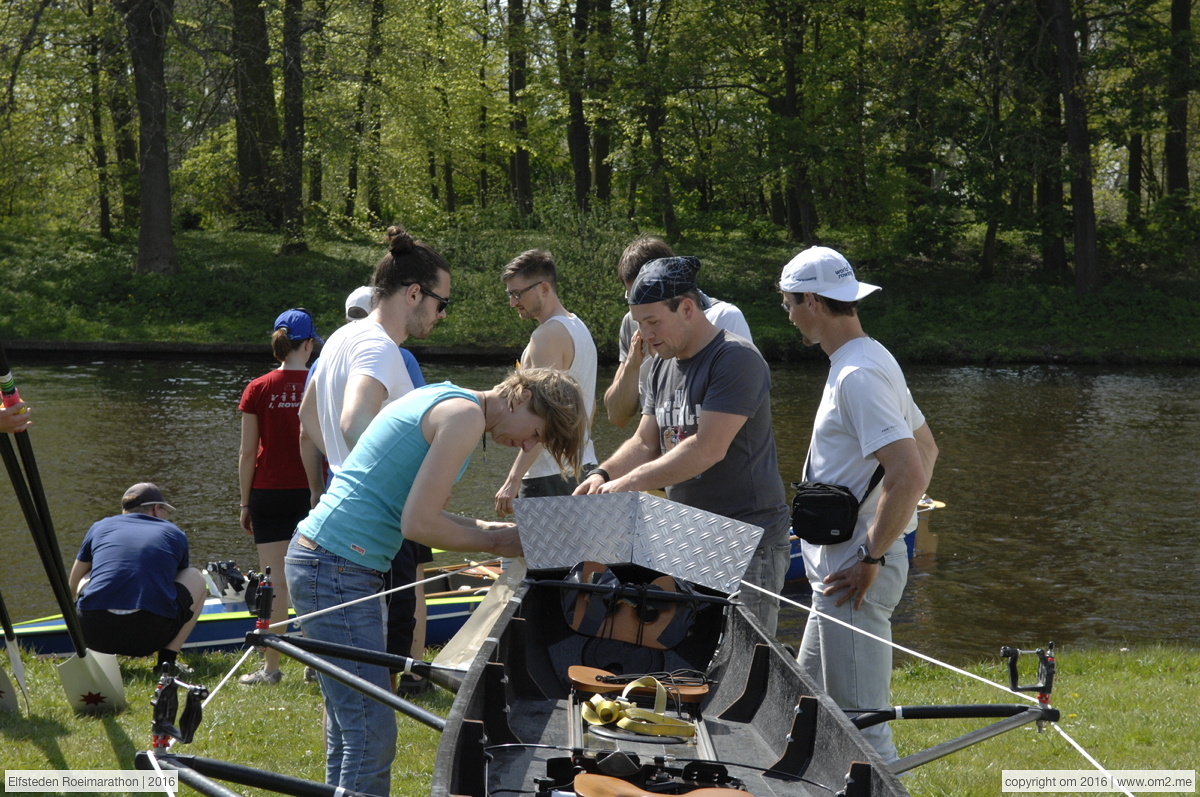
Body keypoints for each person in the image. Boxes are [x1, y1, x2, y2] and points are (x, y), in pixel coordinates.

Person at [285, 367, 586, 797]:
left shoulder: (450, 398)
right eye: (536, 433)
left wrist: (487, 529)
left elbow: (412, 508)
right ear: (522, 398)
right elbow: (417, 522)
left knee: (351, 726)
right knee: (371, 732)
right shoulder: (464, 417)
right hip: (335, 566)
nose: (526, 445)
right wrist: (492, 541)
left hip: (325, 559)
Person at [778, 246, 938, 763]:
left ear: (811, 302)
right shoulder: (870, 356)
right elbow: (928, 447)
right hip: (842, 572)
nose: (788, 315)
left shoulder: (856, 375)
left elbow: (909, 471)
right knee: (808, 700)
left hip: (855, 572)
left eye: (788, 303)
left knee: (864, 729)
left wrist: (872, 553)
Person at [574, 256, 791, 635]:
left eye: (653, 321)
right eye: (638, 323)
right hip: (688, 533)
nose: (644, 334)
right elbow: (645, 442)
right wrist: (603, 473)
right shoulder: (660, 364)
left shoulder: (736, 358)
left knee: (744, 659)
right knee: (691, 652)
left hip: (747, 540)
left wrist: (624, 486)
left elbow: (707, 448)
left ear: (687, 308)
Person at [298, 228, 450, 695]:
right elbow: (353, 422)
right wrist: (386, 485)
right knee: (370, 698)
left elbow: (307, 418)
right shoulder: (382, 348)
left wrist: (343, 470)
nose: (443, 315)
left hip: (338, 530)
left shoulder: (343, 338)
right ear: (413, 294)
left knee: (345, 696)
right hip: (369, 535)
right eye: (443, 303)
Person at [343, 282, 435, 695]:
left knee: (368, 592)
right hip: (390, 495)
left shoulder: (334, 351)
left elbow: (310, 427)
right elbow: (421, 422)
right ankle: (406, 671)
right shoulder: (394, 355)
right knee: (404, 585)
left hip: (342, 494)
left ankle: (373, 671)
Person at [235, 308, 322, 685]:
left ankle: (271, 668)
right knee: (315, 579)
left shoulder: (257, 387)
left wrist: (244, 502)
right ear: (309, 344)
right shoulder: (321, 384)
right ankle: (316, 666)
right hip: (312, 491)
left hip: (267, 493)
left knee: (275, 583)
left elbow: (245, 452)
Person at [604, 235, 753, 428]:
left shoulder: (725, 317)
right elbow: (618, 417)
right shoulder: (632, 323)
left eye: (648, 296)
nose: (645, 328)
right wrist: (632, 365)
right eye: (632, 296)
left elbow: (733, 417)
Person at [494, 249, 598, 515]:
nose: (513, 302)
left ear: (543, 288)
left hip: (548, 475)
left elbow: (542, 418)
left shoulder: (547, 336)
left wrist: (513, 478)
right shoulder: (578, 327)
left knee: (537, 557)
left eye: (518, 293)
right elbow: (590, 407)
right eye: (510, 294)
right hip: (582, 466)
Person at [68, 483, 208, 673]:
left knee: (88, 572)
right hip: (149, 635)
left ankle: (93, 658)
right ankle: (167, 663)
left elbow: (71, 583)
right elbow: (174, 579)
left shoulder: (100, 526)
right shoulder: (174, 532)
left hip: (95, 632)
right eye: (166, 510)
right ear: (156, 509)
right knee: (196, 577)